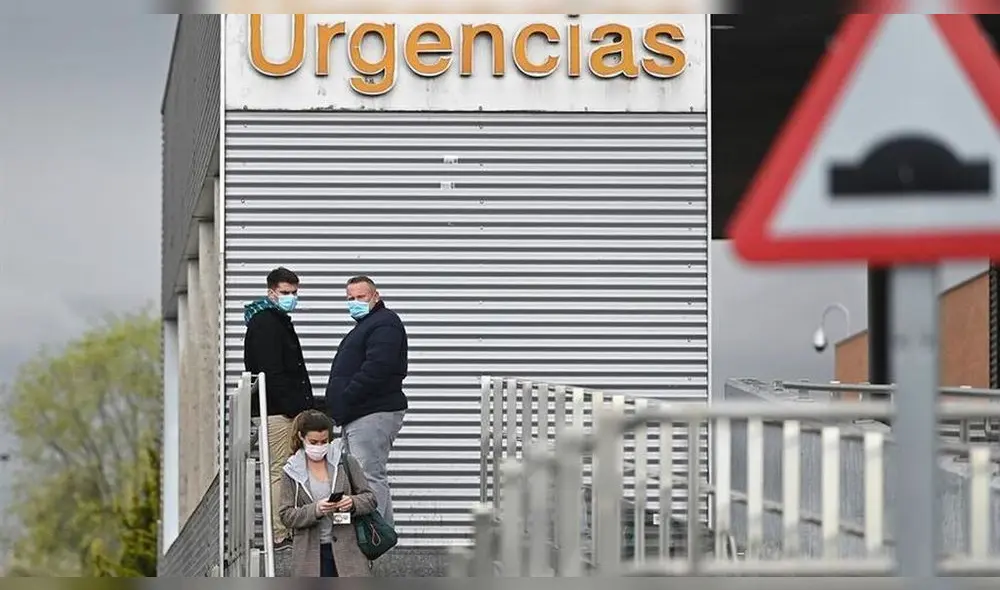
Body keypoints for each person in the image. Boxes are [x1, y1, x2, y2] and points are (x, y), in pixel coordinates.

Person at [243, 266, 316, 555]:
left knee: (286, 469)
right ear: (271, 291)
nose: (291, 298)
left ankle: (285, 529)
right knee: (279, 471)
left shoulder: (274, 320)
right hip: (277, 411)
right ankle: (280, 533)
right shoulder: (266, 323)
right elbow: (270, 370)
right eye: (286, 293)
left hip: (281, 409)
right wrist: (292, 408)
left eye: (295, 293)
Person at [325, 275, 407, 527]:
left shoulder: (384, 324)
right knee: (364, 476)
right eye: (350, 298)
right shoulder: (368, 326)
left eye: (361, 297)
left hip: (371, 411)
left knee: (367, 477)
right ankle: (382, 535)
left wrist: (347, 396)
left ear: (376, 296)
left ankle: (374, 536)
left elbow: (378, 368)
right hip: (359, 412)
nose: (355, 302)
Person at [278, 410, 377, 577]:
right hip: (310, 554)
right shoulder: (291, 471)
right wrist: (316, 509)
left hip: (348, 551)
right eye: (313, 442)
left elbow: (370, 499)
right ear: (302, 437)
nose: (319, 447)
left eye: (324, 441)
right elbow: (286, 515)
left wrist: (352, 503)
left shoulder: (346, 462)